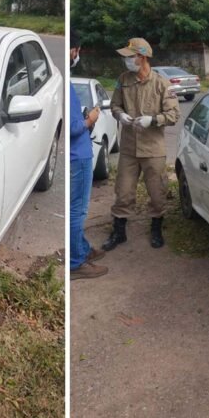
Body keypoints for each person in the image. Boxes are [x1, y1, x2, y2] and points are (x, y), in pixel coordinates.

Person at [102, 37, 179, 251]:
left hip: (153, 149)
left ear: (142, 57)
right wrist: (121, 116)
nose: (126, 61)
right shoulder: (123, 80)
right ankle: (119, 231)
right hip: (128, 148)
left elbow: (174, 114)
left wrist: (153, 120)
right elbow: (115, 105)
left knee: (156, 191)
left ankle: (156, 228)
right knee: (123, 191)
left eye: (130, 56)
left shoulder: (161, 84)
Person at [69, 31, 108, 280]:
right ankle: (76, 262)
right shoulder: (67, 85)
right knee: (77, 212)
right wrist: (90, 119)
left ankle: (81, 249)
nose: (77, 55)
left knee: (77, 210)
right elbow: (74, 127)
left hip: (78, 153)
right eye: (77, 51)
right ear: (74, 51)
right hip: (78, 156)